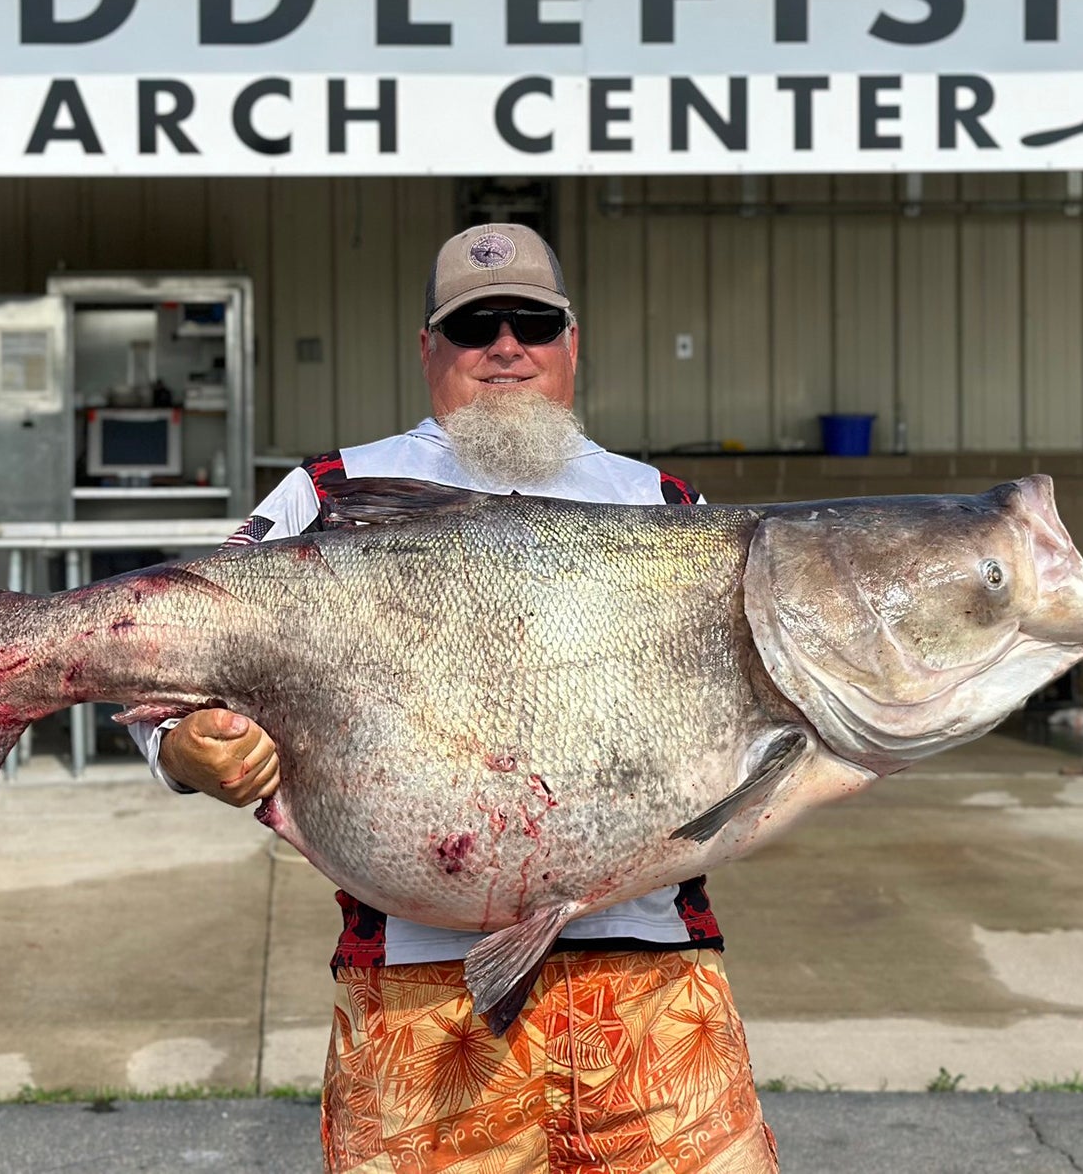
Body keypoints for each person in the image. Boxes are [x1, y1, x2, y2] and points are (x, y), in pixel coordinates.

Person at [143, 223, 780, 1173]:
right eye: (476, 324)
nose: (505, 345)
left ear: (573, 341)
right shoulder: (332, 493)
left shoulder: (667, 506)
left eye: (532, 320)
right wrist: (185, 749)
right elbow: (159, 663)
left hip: (653, 987)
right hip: (418, 994)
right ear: (428, 350)